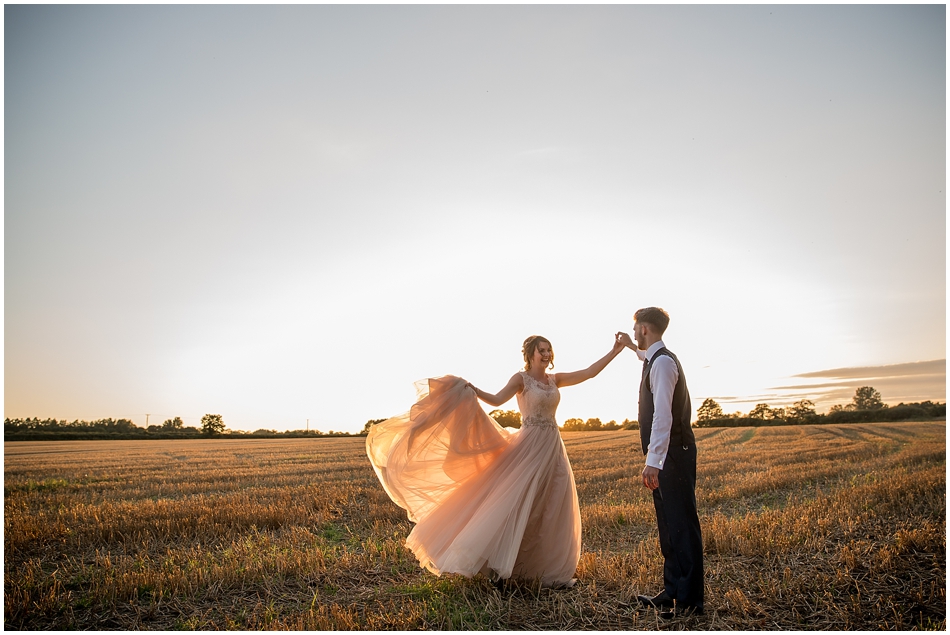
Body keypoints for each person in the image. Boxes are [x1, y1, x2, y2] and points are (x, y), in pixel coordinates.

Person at [366, 334, 624, 588]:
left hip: (553, 447)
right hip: (529, 446)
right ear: (530, 354)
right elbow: (497, 400)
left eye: (549, 350)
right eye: (541, 350)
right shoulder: (520, 379)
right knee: (517, 501)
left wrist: (615, 351)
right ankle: (500, 567)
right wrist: (473, 391)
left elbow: (590, 372)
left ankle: (545, 570)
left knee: (553, 502)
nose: (546, 354)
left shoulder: (555, 379)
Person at [617, 307, 704, 618]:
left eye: (636, 329)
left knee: (682, 525)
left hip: (674, 455)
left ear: (644, 328)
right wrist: (630, 347)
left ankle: (691, 602)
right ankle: (672, 592)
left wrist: (654, 461)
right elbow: (646, 357)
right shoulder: (656, 359)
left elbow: (663, 416)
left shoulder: (664, 364)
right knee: (669, 526)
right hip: (669, 454)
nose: (636, 332)